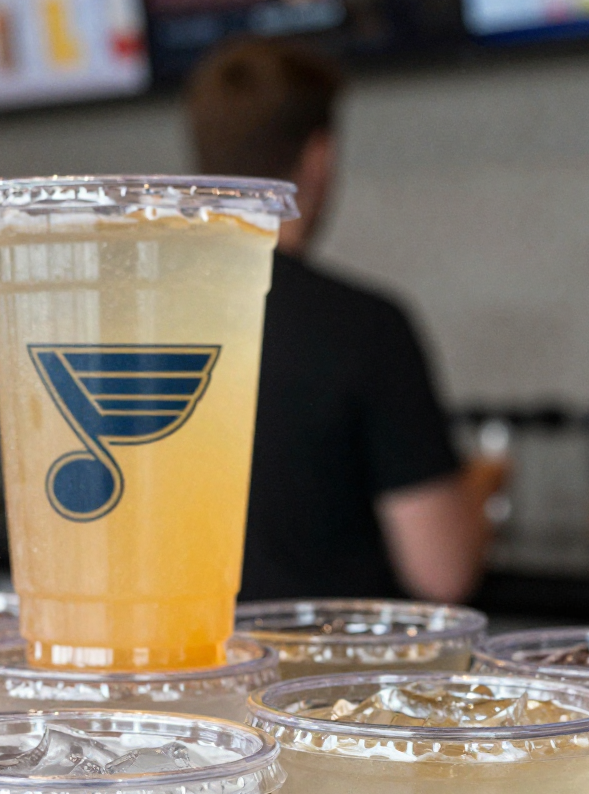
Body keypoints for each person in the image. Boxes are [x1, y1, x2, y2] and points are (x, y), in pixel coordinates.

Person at [186, 38, 486, 604]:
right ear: (319, 157)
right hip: (316, 685)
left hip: (169, 674)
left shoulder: (137, 316)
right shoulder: (366, 329)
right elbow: (441, 571)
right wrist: (479, 490)